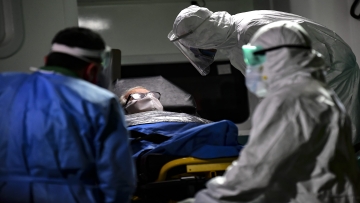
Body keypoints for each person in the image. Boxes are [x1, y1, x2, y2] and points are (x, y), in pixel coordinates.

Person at [180, 21, 360, 203]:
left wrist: (204, 199)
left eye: (254, 58)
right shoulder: (318, 92)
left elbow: (256, 170)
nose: (251, 67)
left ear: (278, 57)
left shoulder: (289, 100)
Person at [168, 5, 360, 146]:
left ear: (204, 35)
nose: (200, 51)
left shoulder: (250, 30)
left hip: (332, 76)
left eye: (197, 44)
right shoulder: (234, 40)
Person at [0, 27, 136, 203]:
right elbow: (117, 179)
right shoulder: (100, 101)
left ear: (46, 60)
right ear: (92, 70)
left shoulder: (4, 86)